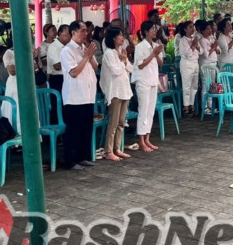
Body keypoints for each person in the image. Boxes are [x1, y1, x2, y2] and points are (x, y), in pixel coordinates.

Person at [60, 21, 98, 171]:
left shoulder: (84, 49)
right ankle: (70, 160)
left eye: (86, 31)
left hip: (88, 94)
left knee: (86, 128)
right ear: (73, 32)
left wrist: (90, 55)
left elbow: (95, 68)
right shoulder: (67, 50)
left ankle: (83, 157)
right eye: (82, 31)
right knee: (74, 130)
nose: (85, 33)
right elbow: (74, 72)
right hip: (75, 96)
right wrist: (86, 57)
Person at [99, 27, 133, 162]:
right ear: (113, 38)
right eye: (119, 35)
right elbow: (116, 71)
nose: (122, 38)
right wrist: (122, 61)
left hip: (124, 90)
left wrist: (125, 60)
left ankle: (117, 148)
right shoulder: (109, 54)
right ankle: (108, 150)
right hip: (115, 91)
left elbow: (130, 68)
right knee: (113, 123)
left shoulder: (120, 52)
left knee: (121, 122)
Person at [133, 21, 164, 152]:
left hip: (152, 80)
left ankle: (147, 138)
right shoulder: (140, 47)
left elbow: (161, 63)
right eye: (152, 29)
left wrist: (156, 54)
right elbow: (140, 65)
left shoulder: (156, 45)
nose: (154, 31)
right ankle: (141, 140)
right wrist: (153, 54)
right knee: (143, 110)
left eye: (155, 29)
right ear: (145, 31)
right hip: (143, 81)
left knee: (151, 111)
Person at [176, 21, 202, 116]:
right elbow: (187, 53)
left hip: (195, 63)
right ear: (185, 29)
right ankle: (186, 106)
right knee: (186, 86)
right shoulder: (183, 40)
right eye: (190, 27)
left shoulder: (193, 39)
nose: (193, 29)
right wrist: (194, 45)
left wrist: (196, 45)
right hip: (187, 64)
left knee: (194, 86)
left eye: (193, 27)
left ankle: (191, 104)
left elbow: (202, 51)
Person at [198, 21, 219, 115]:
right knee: (205, 85)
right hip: (206, 64)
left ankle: (210, 106)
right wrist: (214, 47)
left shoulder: (211, 38)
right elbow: (206, 54)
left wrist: (215, 46)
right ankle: (204, 106)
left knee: (211, 85)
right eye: (207, 29)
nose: (209, 30)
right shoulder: (202, 40)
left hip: (213, 63)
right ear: (202, 31)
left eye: (210, 28)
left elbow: (219, 51)